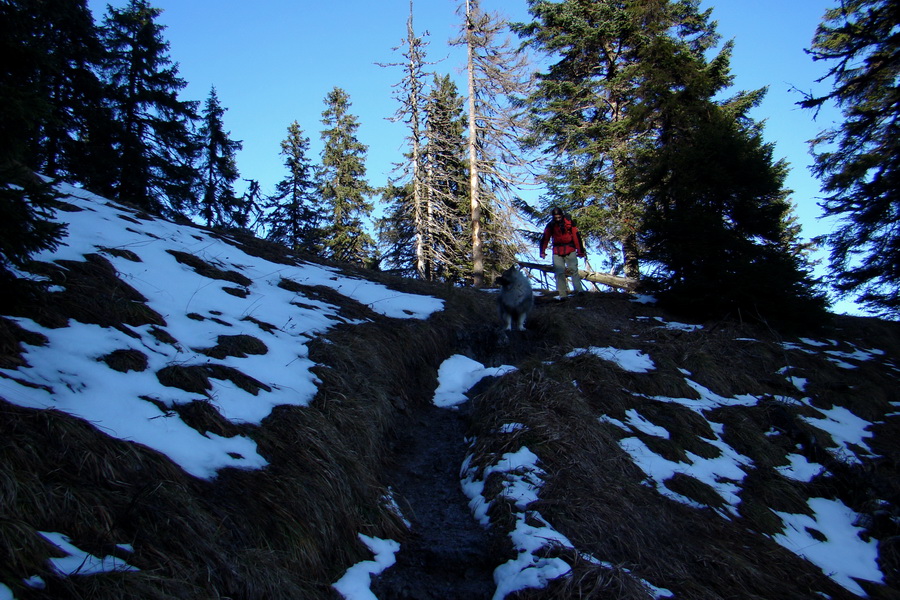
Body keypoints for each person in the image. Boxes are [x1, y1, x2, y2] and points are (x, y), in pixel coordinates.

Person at [539, 208, 585, 298]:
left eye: (559, 217)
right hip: (557, 251)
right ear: (553, 217)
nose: (558, 219)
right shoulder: (551, 225)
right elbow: (545, 238)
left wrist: (580, 251)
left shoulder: (569, 223)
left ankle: (579, 291)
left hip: (570, 249)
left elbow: (576, 237)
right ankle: (562, 294)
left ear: (562, 215)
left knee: (573, 270)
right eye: (556, 217)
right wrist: (542, 252)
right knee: (559, 272)